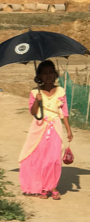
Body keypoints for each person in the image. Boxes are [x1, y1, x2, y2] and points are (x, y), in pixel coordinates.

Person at [19, 60, 73, 200]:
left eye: (50, 72)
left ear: (55, 74)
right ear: (39, 76)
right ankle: (43, 187)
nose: (48, 75)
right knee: (40, 158)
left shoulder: (61, 91)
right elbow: (33, 112)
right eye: (44, 73)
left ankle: (53, 186)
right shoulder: (35, 92)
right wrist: (37, 101)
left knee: (54, 158)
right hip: (39, 128)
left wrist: (68, 130)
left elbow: (64, 112)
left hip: (55, 126)